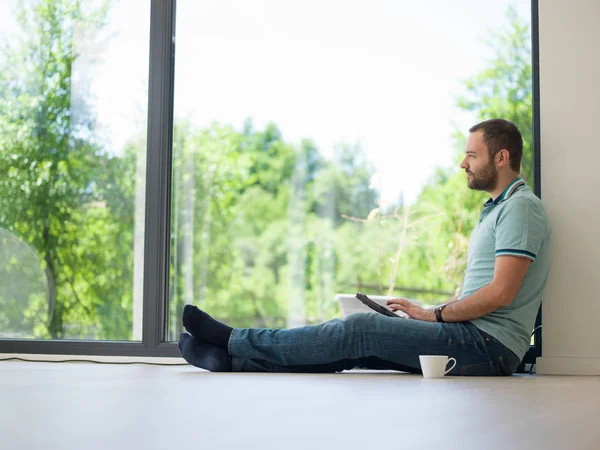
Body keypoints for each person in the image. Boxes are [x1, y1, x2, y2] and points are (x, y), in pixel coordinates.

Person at [178, 118, 551, 376]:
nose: (462, 163)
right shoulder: (499, 210)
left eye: (472, 155)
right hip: (475, 337)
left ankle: (233, 340)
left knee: (360, 330)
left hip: (488, 347)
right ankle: (233, 363)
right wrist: (429, 313)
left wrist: (434, 315)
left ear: (501, 157)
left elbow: (501, 293)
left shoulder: (521, 208)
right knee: (361, 346)